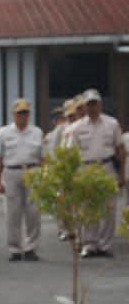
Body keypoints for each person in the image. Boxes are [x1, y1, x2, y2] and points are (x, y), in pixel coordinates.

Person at [63, 89, 125, 258]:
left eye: (95, 103)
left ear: (100, 104)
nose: (92, 108)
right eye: (89, 104)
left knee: (108, 208)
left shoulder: (112, 124)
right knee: (87, 207)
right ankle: (89, 244)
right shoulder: (76, 127)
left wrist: (121, 175)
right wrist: (72, 176)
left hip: (106, 166)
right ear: (84, 106)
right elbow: (70, 154)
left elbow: (120, 149)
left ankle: (105, 245)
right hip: (85, 169)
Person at [0, 98, 43, 261]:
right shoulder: (3, 132)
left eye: (25, 113)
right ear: (13, 114)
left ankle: (31, 247)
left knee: (34, 212)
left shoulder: (37, 132)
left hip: (33, 172)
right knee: (13, 213)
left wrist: (45, 179)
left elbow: (44, 158)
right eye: (19, 113)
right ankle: (15, 249)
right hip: (11, 172)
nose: (22, 116)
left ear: (29, 114)